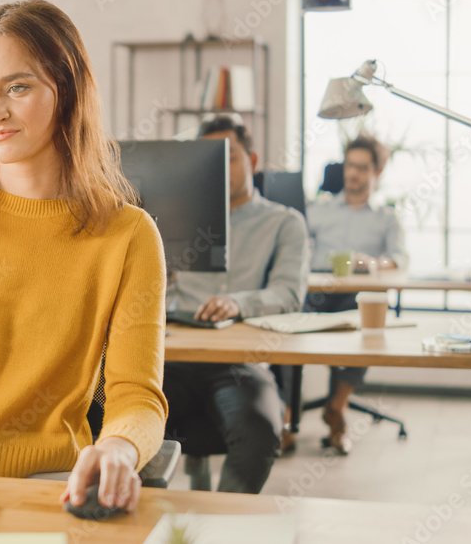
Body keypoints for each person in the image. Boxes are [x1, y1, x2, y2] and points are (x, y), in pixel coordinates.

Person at [0, 0, 168, 513]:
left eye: (16, 88)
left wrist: (119, 447)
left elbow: (137, 395)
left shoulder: (128, 236)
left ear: (66, 92)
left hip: (50, 487)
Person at [164, 115, 310, 492]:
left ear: (253, 161)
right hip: (174, 357)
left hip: (239, 361)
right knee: (118, 418)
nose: (218, 167)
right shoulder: (172, 220)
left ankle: (222, 527)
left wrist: (237, 303)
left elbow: (288, 294)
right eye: (209, 159)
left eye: (228, 156)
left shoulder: (284, 223)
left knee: (259, 434)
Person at [305, 133, 407, 454]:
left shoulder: (386, 217)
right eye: (350, 165)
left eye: (363, 168)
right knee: (283, 317)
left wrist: (376, 263)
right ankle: (289, 417)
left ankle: (337, 406)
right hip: (317, 292)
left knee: (366, 323)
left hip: (359, 292)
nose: (353, 173)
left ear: (376, 173)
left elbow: (400, 259)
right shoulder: (317, 210)